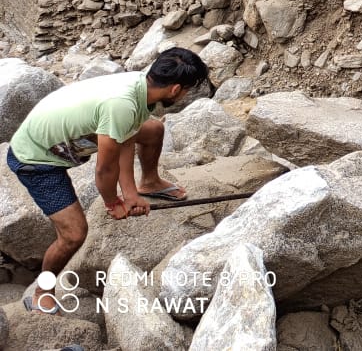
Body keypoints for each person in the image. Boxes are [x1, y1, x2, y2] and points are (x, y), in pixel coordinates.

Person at [6, 47, 210, 313]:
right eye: (186, 90)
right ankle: (43, 290)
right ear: (175, 90)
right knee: (74, 234)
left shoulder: (139, 88)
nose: (184, 96)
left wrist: (131, 193)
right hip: (36, 159)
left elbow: (126, 139)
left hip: (63, 140)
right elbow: (104, 170)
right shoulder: (122, 103)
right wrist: (113, 202)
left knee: (153, 130)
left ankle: (149, 182)